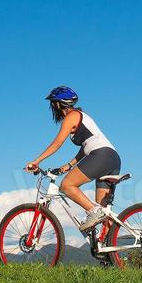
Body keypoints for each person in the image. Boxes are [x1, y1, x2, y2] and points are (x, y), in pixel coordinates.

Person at [24, 86, 122, 234]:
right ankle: (108, 254)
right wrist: (68, 165)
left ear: (57, 104)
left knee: (67, 185)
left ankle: (93, 211)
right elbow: (87, 146)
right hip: (111, 158)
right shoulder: (81, 115)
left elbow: (57, 143)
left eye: (52, 104)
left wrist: (37, 161)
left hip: (101, 155)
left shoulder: (71, 116)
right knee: (103, 212)